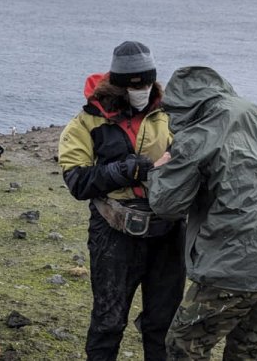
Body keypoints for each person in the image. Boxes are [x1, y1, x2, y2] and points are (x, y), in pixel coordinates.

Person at [146, 66, 257, 360]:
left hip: (236, 261)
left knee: (184, 345)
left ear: (180, 106)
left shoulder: (199, 131)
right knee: (250, 351)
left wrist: (160, 170)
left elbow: (167, 205)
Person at [58, 41, 186, 361]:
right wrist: (126, 170)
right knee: (108, 322)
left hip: (168, 232)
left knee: (163, 324)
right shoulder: (87, 121)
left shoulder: (171, 114)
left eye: (145, 83)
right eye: (133, 85)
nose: (140, 90)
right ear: (117, 84)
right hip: (114, 233)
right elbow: (77, 180)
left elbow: (193, 155)